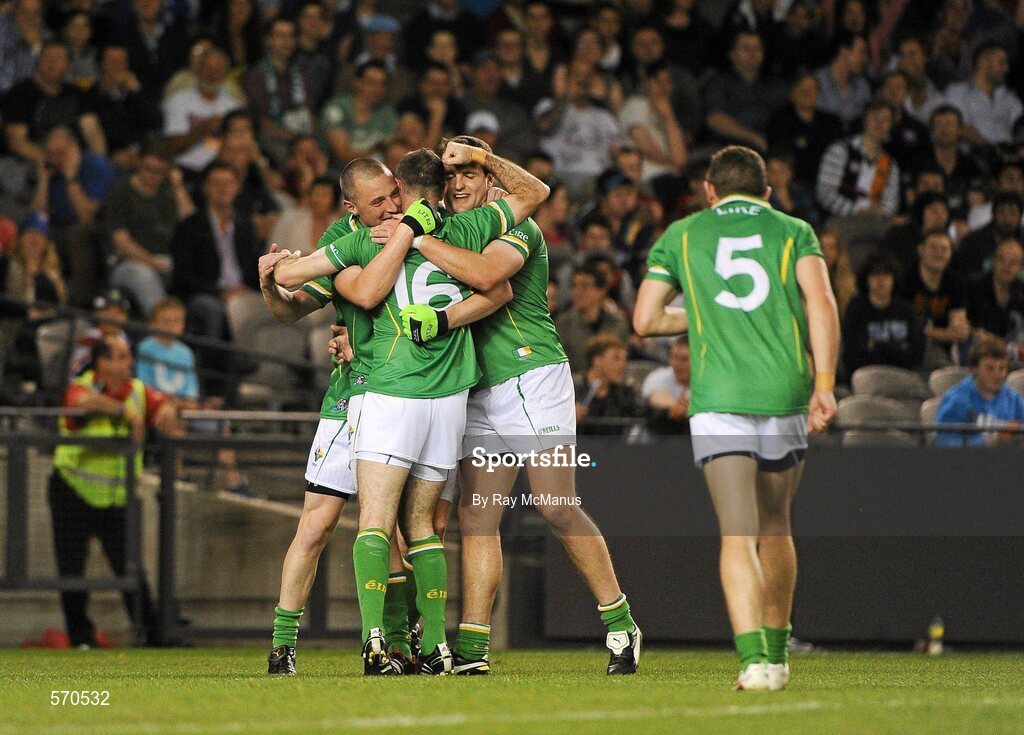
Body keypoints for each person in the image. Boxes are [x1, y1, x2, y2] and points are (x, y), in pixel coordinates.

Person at [273, 143, 549, 676]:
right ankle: (436, 647)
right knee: (423, 528)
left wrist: (280, 268)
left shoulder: (365, 239)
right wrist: (483, 161)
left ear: (398, 191)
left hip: (389, 387)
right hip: (447, 399)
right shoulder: (469, 230)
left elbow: (295, 281)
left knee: (374, 523)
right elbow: (510, 258)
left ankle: (379, 641)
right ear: (444, 191)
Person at [394, 135, 641, 675]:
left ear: (490, 181)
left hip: (532, 375)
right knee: (477, 518)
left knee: (556, 505)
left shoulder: (516, 225)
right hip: (476, 388)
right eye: (451, 175)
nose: (458, 184)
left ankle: (621, 625)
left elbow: (488, 279)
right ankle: (473, 650)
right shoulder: (446, 229)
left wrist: (415, 241)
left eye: (469, 174)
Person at [633, 145, 840, 691]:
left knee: (736, 534)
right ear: (767, 192)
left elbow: (645, 319)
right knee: (776, 526)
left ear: (709, 191)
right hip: (785, 391)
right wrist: (824, 385)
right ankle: (778, 655)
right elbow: (821, 303)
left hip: (720, 395)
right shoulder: (794, 229)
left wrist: (701, 311)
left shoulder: (682, 234)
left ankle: (754, 665)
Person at [258, 158, 401, 676]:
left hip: (402, 396)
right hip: (347, 397)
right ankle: (282, 646)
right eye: (378, 201)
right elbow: (291, 309)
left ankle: (393, 643)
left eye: (393, 194)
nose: (391, 206)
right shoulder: (343, 239)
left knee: (396, 530)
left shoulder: (418, 227)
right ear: (351, 208)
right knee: (316, 524)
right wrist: (270, 285)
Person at [50, 334, 179, 647]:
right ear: (103, 362)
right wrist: (121, 411)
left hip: (117, 498)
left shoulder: (137, 390)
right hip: (72, 490)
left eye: (128, 356)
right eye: (121, 357)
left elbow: (163, 403)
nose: (129, 362)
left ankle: (152, 636)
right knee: (72, 571)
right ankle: (81, 638)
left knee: (132, 571)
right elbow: (78, 401)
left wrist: (169, 409)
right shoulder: (83, 386)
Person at [135, 297, 253, 497]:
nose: (171, 326)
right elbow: (145, 388)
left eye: (176, 321)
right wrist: (176, 403)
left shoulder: (185, 353)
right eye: (166, 321)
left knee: (220, 422)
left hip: (185, 406)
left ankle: (234, 481)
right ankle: (177, 475)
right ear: (153, 323)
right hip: (159, 408)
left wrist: (199, 404)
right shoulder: (146, 348)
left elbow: (191, 392)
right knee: (174, 419)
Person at [105, 150, 196, 317]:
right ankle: (162, 331)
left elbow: (192, 222)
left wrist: (178, 186)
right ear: (139, 165)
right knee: (144, 275)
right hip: (130, 262)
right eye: (148, 169)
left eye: (160, 171)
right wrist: (153, 263)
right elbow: (121, 241)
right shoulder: (121, 192)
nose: (153, 175)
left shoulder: (169, 191)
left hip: (168, 261)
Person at [841, 252, 925, 376]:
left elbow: (916, 354)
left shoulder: (907, 310)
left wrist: (875, 346)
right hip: (866, 375)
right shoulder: (856, 309)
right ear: (867, 279)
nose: (881, 280)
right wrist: (897, 347)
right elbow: (853, 355)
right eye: (875, 275)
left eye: (886, 275)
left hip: (902, 374)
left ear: (893, 279)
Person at [935, 335, 1024, 447]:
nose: (997, 375)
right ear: (974, 369)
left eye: (1002, 368)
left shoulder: (1014, 399)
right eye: (990, 368)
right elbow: (945, 444)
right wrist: (990, 442)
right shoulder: (956, 399)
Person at [901, 229, 970, 367]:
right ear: (921, 250)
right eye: (933, 248)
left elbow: (958, 321)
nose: (939, 254)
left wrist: (958, 328)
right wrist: (943, 334)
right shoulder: (905, 280)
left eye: (944, 249)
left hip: (946, 345)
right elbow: (906, 325)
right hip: (910, 343)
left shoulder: (956, 281)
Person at [555, 262, 631, 373]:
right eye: (574, 286)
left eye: (585, 286)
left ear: (601, 291)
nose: (577, 292)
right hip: (574, 385)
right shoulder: (563, 324)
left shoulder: (619, 323)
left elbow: (623, 360)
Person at [943, 42, 1022, 146]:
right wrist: (990, 149)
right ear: (984, 62)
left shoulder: (1009, 97)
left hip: (1010, 157)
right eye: (1002, 62)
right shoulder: (957, 92)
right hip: (974, 157)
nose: (1006, 68)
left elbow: (1020, 125)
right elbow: (958, 127)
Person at [574, 333, 645, 435]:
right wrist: (566, 419)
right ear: (597, 360)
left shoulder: (625, 393)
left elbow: (645, 415)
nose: (623, 365)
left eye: (624, 359)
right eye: (616, 359)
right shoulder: (571, 388)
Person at [641, 334, 691, 434]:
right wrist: (675, 407)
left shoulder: (708, 383)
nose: (677, 364)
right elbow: (657, 397)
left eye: (684, 359)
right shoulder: (658, 376)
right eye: (674, 357)